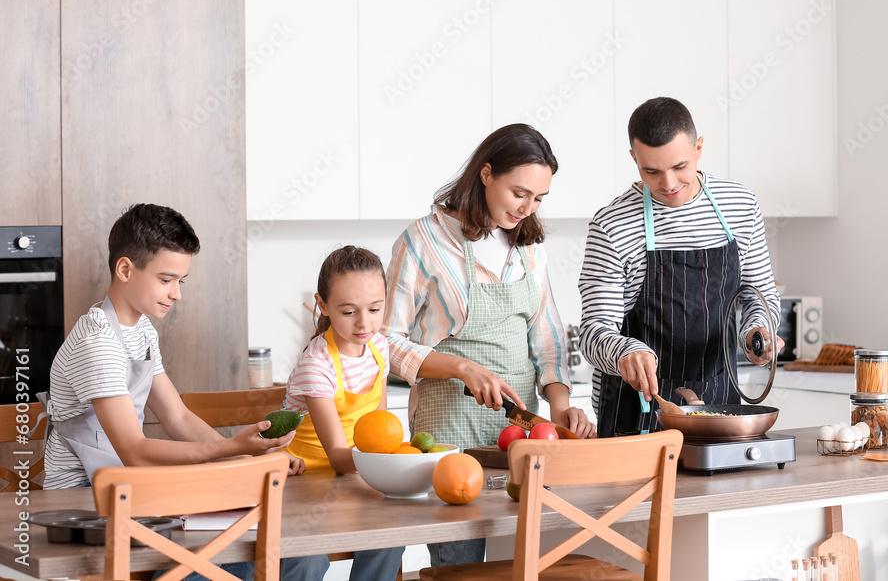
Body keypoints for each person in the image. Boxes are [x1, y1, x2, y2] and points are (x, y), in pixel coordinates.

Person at [41, 203, 328, 581]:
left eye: (181, 281)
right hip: (81, 508)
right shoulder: (97, 343)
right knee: (240, 561)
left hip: (131, 490)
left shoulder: (140, 330)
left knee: (304, 553)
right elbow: (135, 450)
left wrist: (249, 462)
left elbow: (177, 417)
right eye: (166, 279)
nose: (176, 294)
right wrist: (234, 449)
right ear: (125, 269)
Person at [382, 123, 596, 568]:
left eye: (539, 199)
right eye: (520, 193)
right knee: (459, 566)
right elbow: (385, 341)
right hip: (450, 433)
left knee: (523, 563)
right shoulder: (423, 240)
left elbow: (550, 337)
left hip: (518, 436)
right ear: (485, 174)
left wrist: (560, 406)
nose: (528, 207)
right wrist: (461, 368)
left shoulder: (528, 247)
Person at [579, 97, 783, 438]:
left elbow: (758, 297)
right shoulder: (612, 225)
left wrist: (757, 333)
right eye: (652, 171)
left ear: (699, 147)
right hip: (637, 414)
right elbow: (594, 332)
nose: (669, 183)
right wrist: (625, 350)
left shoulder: (740, 206)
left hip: (720, 407)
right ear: (634, 159)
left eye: (680, 166)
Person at [284, 245, 404, 581]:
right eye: (349, 312)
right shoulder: (316, 365)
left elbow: (376, 428)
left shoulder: (378, 347)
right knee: (307, 561)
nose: (365, 323)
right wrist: (394, 463)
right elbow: (338, 456)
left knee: (390, 537)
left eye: (375, 309)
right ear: (322, 304)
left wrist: (396, 461)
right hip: (303, 481)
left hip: (354, 477)